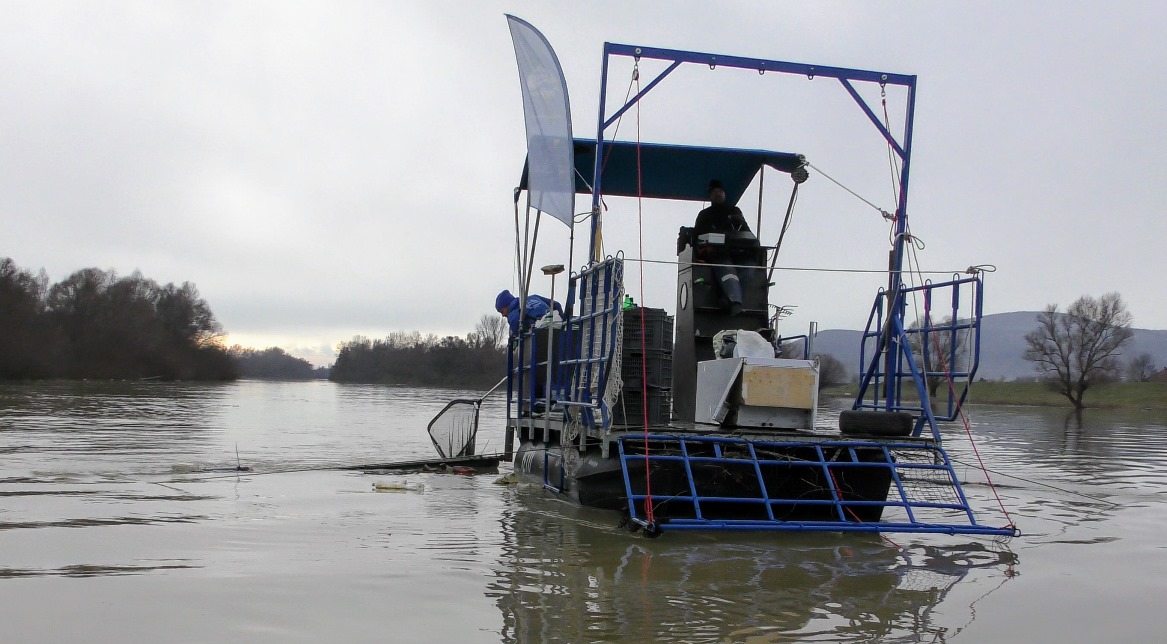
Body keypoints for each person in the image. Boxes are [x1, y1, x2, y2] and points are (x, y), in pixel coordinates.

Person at [691, 179, 762, 316]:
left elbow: (746, 232)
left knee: (749, 269)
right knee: (727, 269)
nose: (718, 194)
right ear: (710, 196)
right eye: (715, 192)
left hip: (738, 252)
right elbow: (698, 236)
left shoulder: (734, 211)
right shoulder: (704, 215)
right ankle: (735, 303)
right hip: (717, 252)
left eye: (721, 192)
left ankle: (725, 298)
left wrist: (741, 228)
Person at [495, 289, 564, 335]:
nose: (503, 315)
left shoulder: (513, 314)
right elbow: (556, 304)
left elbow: (517, 332)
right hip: (558, 327)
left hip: (541, 336)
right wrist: (562, 320)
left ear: (507, 305)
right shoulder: (534, 297)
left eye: (502, 311)